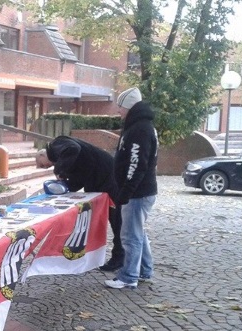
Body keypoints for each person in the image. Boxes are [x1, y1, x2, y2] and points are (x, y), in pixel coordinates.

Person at [35, 136, 124, 271]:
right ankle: (91, 256)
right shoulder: (65, 157)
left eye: (42, 164)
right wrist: (62, 187)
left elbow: (73, 148)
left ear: (43, 154)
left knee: (117, 219)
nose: (46, 167)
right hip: (98, 181)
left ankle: (120, 258)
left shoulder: (57, 144)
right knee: (96, 220)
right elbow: (77, 181)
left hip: (108, 176)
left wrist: (58, 170)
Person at [104, 87, 158, 289]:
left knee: (130, 235)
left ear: (129, 107)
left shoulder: (139, 129)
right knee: (138, 233)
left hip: (137, 193)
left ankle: (129, 276)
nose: (119, 111)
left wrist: (125, 192)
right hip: (141, 191)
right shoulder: (142, 126)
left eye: (121, 107)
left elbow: (137, 164)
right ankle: (144, 270)